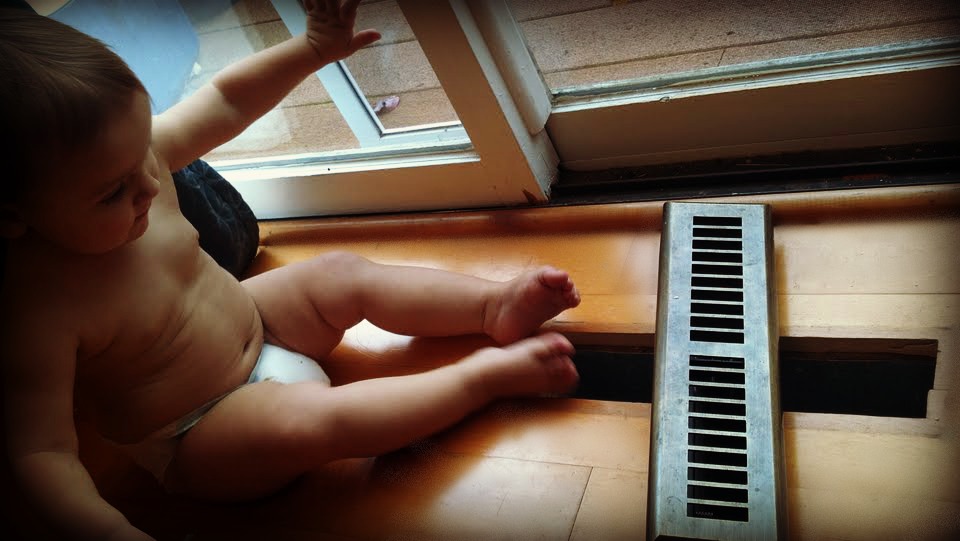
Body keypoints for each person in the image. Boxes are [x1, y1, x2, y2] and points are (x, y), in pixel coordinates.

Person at [0, 2, 581, 540]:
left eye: (142, 156)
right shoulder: (38, 311)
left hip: (258, 322)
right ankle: (478, 382)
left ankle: (491, 307)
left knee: (338, 272)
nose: (151, 184)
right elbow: (43, 454)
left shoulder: (133, 166)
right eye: (113, 192)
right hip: (202, 430)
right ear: (13, 215)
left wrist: (312, 49)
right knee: (307, 420)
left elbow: (226, 100)